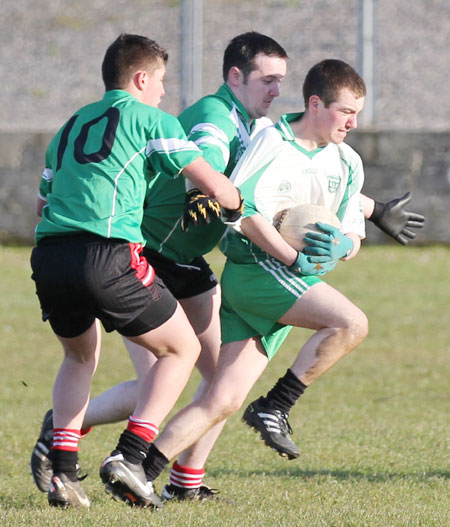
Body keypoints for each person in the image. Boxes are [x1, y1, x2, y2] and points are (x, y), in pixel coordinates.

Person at [30, 33, 425, 502]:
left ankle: (184, 482)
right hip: (147, 253)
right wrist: (214, 192)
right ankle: (79, 436)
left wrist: (372, 207)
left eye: (282, 80)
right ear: (236, 77)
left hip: (175, 260)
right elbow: (212, 159)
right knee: (161, 376)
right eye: (268, 80)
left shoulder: (252, 126)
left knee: (216, 382)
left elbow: (285, 178)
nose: (278, 91)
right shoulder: (217, 119)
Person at [121, 58, 373, 504]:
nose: (353, 123)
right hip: (259, 270)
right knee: (350, 323)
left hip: (285, 276)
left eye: (358, 113)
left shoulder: (349, 161)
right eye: (345, 111)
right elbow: (241, 208)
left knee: (221, 398)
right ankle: (276, 405)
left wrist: (345, 247)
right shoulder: (272, 141)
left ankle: (140, 471)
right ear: (316, 104)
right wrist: (292, 255)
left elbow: (353, 228)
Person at [30, 33, 243, 509]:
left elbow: (42, 200)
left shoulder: (70, 124)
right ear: (141, 78)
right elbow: (208, 179)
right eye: (161, 81)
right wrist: (236, 203)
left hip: (49, 256)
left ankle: (63, 473)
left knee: (80, 357)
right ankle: (131, 454)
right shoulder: (151, 120)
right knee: (182, 349)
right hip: (107, 254)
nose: (165, 92)